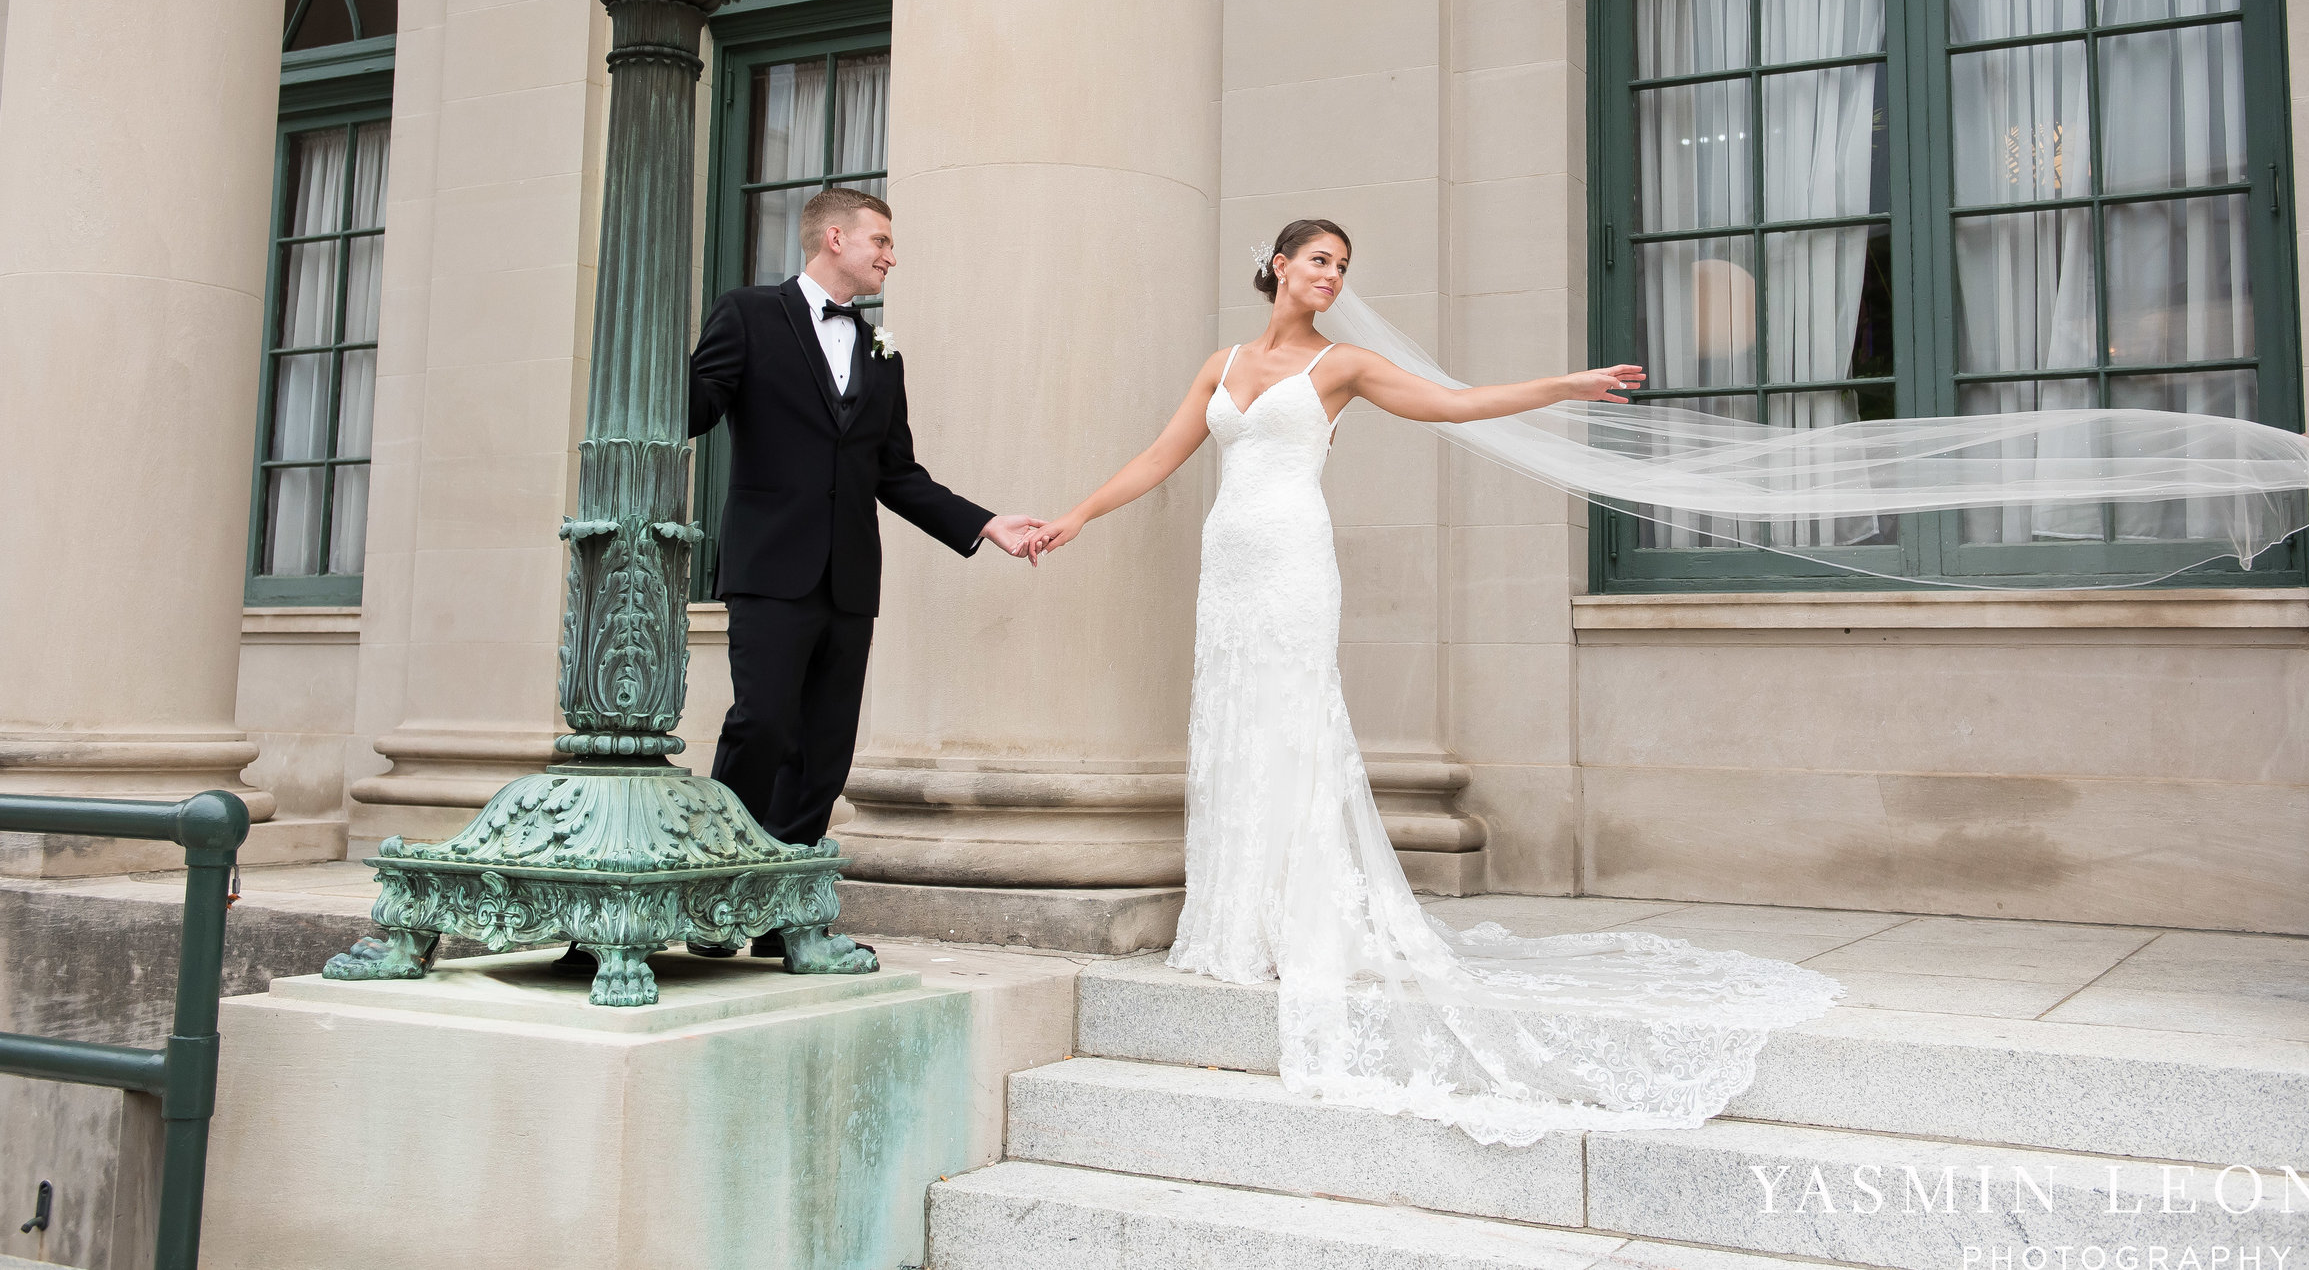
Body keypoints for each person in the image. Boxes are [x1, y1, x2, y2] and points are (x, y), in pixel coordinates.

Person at [1030, 217, 1845, 1144]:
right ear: (1278, 266)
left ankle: (1301, 924)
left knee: (1293, 724)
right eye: (1320, 261)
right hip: (1231, 564)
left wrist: (1564, 387)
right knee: (1231, 724)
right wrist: (1076, 516)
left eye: (1343, 266)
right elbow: (1158, 457)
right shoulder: (1219, 364)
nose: (1333, 277)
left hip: (1296, 564)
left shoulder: (1342, 367)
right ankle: (1234, 919)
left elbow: (1453, 405)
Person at [687, 185, 1045, 969]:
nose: (890, 256)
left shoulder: (884, 354)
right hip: (771, 567)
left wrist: (985, 523)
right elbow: (694, 407)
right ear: (835, 237)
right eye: (880, 241)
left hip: (848, 579)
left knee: (824, 750)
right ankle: (714, 895)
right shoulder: (748, 314)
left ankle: (786, 911)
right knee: (762, 725)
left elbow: (898, 474)